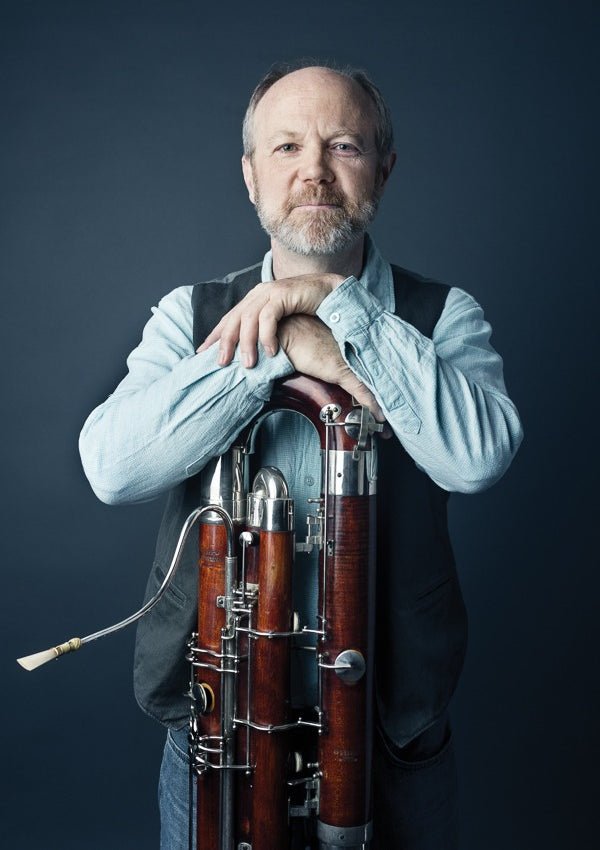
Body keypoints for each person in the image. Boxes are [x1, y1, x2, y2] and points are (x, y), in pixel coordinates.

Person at [79, 61, 523, 849]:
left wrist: (335, 307)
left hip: (392, 735)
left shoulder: (445, 315)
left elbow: (478, 458)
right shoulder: (187, 315)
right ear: (251, 176)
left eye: (343, 145)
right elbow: (113, 470)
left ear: (383, 170)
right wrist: (282, 349)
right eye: (286, 147)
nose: (314, 170)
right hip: (219, 733)